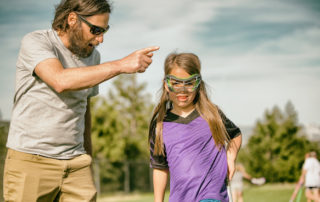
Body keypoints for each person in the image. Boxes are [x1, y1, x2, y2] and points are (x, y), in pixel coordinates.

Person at [3, 0, 159, 201]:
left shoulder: (93, 57)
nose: (100, 39)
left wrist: (88, 159)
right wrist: (121, 65)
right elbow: (59, 80)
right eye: (95, 30)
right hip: (32, 160)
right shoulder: (37, 41)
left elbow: (84, 109)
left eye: (105, 30)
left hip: (77, 164)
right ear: (72, 19)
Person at [149, 52, 242, 202]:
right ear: (166, 84)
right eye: (176, 83)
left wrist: (230, 157)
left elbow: (235, 135)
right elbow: (160, 168)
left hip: (212, 196)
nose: (182, 90)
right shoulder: (160, 124)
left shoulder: (212, 114)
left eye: (189, 83)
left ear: (198, 84)